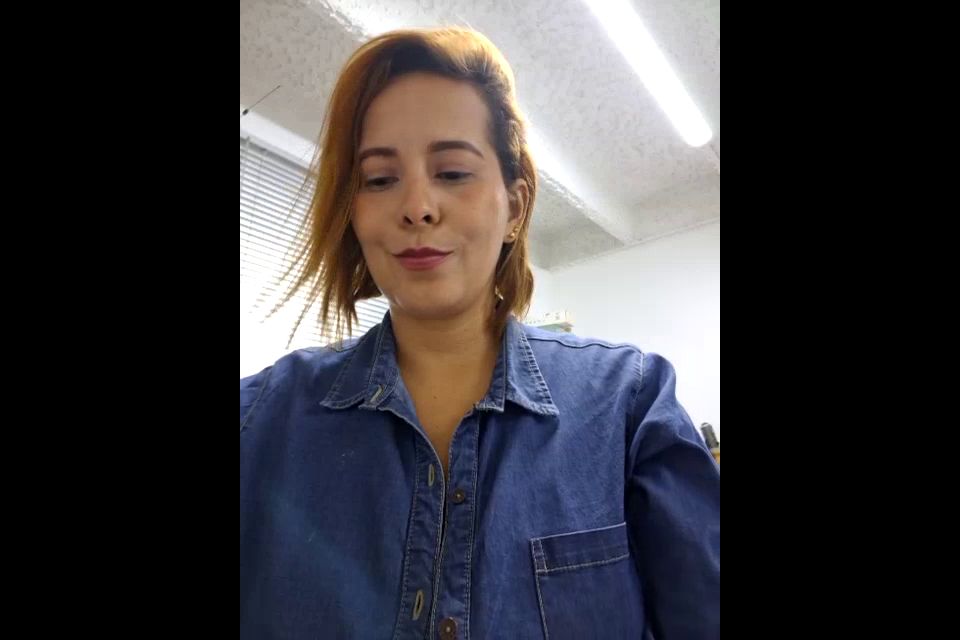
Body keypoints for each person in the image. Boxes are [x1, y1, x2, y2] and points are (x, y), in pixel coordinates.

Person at [240, 26, 719, 640]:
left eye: (452, 172)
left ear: (514, 208)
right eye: (380, 179)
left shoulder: (629, 402)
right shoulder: (260, 421)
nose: (417, 206)